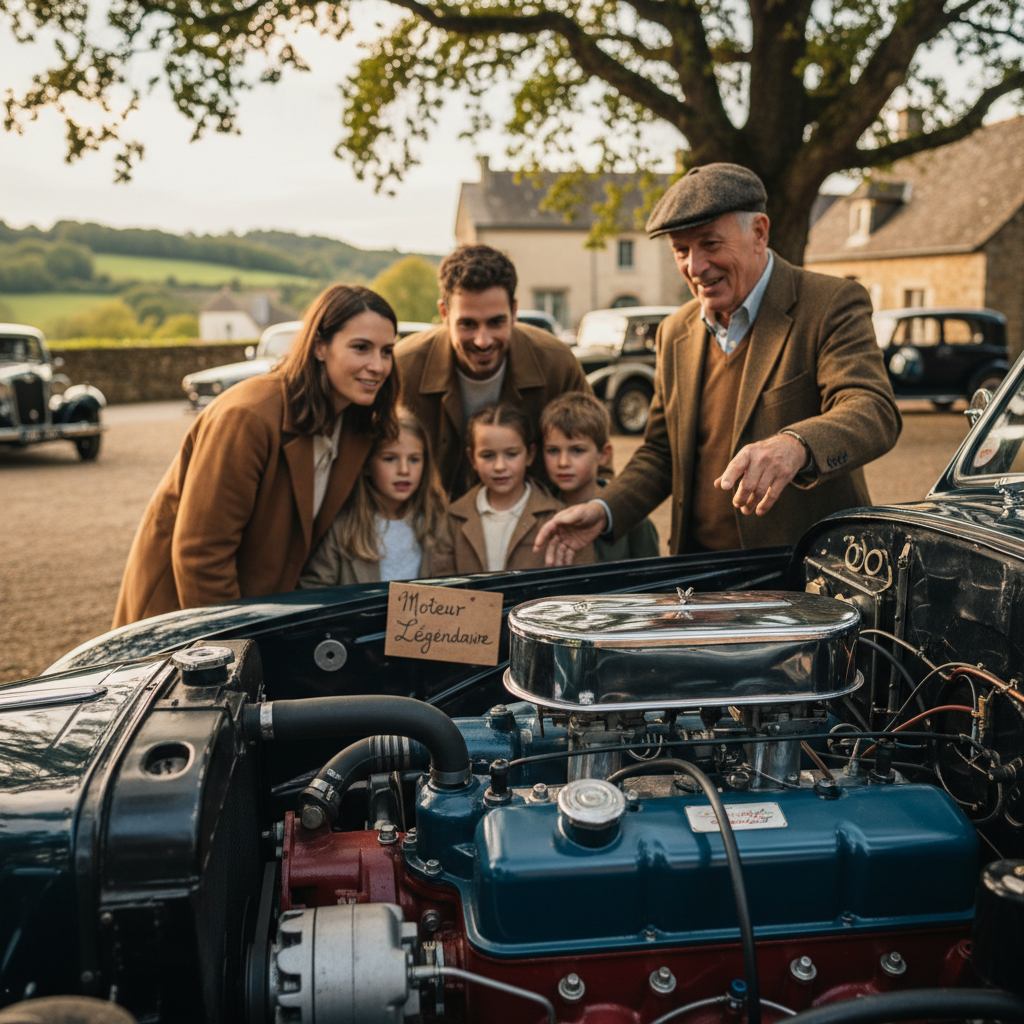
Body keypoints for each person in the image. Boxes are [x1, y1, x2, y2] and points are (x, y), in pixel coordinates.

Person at [535, 162, 901, 564]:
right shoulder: (674, 331)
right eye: (681, 251)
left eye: (710, 244)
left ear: (759, 233)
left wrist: (795, 445)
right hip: (700, 575)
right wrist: (605, 509)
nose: (695, 267)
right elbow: (661, 453)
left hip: (806, 569)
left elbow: (872, 410)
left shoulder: (830, 303)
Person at [111, 284, 401, 627]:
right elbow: (202, 555)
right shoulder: (246, 416)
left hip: (265, 621)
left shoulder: (355, 424)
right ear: (320, 346)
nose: (378, 365)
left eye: (386, 351)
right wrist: (237, 650)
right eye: (361, 348)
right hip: (182, 625)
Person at [394, 243, 598, 499]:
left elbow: (597, 456)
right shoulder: (402, 368)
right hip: (433, 527)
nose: (483, 340)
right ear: (444, 313)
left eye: (496, 322)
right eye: (467, 324)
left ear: (514, 312)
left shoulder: (555, 362)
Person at [432, 402, 594, 575]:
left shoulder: (560, 519)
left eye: (511, 454)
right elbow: (442, 585)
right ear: (472, 459)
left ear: (530, 454)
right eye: (488, 456)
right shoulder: (453, 518)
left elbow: (580, 587)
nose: (500, 466)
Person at [297, 407, 448, 586]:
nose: (404, 470)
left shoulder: (438, 521)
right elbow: (314, 589)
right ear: (367, 465)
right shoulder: (342, 527)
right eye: (390, 458)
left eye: (414, 459)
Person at [541, 392, 660, 561]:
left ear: (603, 454)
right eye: (553, 450)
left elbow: (653, 581)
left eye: (577, 450)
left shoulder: (632, 519)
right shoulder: (537, 511)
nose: (563, 462)